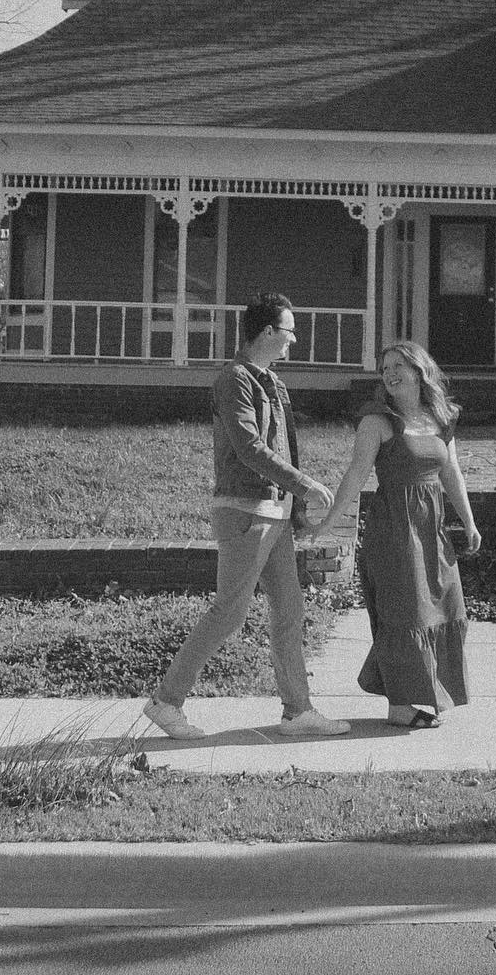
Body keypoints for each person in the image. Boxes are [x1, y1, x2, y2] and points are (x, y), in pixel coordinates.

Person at [143, 291, 350, 740]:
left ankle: (298, 712)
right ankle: (165, 701)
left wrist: (294, 507)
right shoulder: (234, 379)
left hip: (274, 513)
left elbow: (283, 448)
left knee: (289, 608)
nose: (294, 340)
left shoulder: (272, 382)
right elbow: (249, 448)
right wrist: (305, 484)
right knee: (229, 612)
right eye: (289, 331)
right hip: (244, 511)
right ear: (268, 332)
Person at [315, 339, 481, 728]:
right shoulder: (377, 421)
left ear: (419, 372)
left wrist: (469, 522)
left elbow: (451, 473)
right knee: (406, 614)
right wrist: (329, 521)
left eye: (397, 366)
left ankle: (418, 694)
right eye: (384, 367)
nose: (389, 374)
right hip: (395, 530)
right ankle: (401, 707)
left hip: (433, 529)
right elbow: (355, 475)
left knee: (447, 606)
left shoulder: (441, 417)